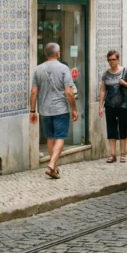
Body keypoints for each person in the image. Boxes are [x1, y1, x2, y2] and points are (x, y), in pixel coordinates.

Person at [30, 43, 78, 179]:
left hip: (45, 110)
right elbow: (69, 92)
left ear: (45, 54)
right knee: (60, 137)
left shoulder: (38, 69)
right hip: (60, 110)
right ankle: (51, 164)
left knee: (50, 138)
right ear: (58, 53)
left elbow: (34, 91)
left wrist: (33, 111)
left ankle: (54, 168)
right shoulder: (63, 68)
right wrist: (74, 108)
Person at [99, 50, 127, 163]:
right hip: (110, 105)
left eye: (113, 59)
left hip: (123, 105)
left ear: (118, 60)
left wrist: (124, 83)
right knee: (111, 129)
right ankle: (112, 154)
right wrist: (100, 106)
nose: (111, 62)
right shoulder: (106, 74)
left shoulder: (125, 72)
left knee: (122, 129)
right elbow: (102, 90)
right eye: (109, 60)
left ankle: (123, 154)